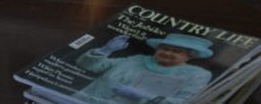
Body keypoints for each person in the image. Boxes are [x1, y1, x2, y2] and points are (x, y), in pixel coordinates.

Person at [73, 33, 213, 103]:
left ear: (190, 56)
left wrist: (144, 98)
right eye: (164, 48)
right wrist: (105, 50)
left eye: (176, 51)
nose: (167, 53)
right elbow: (88, 65)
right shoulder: (137, 59)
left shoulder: (197, 75)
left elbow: (184, 102)